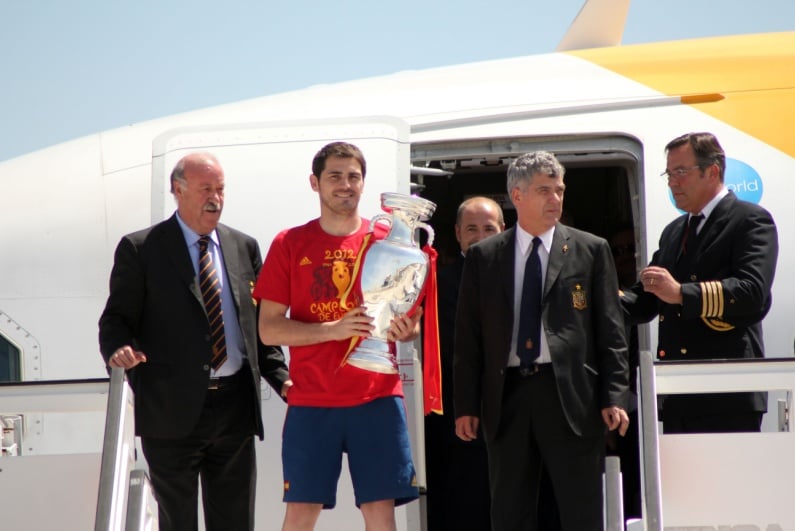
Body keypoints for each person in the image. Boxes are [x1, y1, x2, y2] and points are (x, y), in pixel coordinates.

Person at [98, 152, 290, 531]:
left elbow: (259, 330)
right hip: (170, 412)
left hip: (234, 410)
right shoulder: (141, 249)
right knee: (177, 522)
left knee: (235, 523)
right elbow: (116, 320)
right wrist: (118, 349)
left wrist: (283, 380)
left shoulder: (244, 247)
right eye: (206, 189)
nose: (215, 198)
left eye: (220, 189)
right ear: (178, 189)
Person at [454, 151, 630, 531]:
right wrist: (466, 404)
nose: (555, 199)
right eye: (544, 190)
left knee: (582, 511)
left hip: (570, 395)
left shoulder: (590, 249)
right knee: (510, 512)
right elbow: (468, 339)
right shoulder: (485, 256)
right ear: (517, 196)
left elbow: (611, 332)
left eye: (559, 190)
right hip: (508, 395)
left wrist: (614, 396)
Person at [255, 141, 423, 531]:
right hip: (313, 400)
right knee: (301, 513)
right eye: (335, 176)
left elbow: (409, 322)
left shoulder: (389, 242)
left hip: (377, 397)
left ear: (363, 183)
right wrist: (332, 330)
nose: (345, 185)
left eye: (353, 177)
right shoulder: (289, 243)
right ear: (314, 183)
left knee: (380, 512)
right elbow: (268, 329)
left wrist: (406, 331)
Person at [621, 132, 778, 433]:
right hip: (679, 393)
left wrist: (681, 293)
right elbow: (646, 299)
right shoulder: (674, 231)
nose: (672, 182)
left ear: (713, 171)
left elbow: (752, 292)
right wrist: (597, 298)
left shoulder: (749, 220)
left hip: (727, 393)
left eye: (681, 172)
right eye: (669, 174)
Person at [425, 196, 504, 531]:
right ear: (457, 234)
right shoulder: (439, 284)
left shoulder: (522, 275)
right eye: (471, 229)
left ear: (504, 231)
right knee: (466, 505)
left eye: (488, 228)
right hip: (461, 418)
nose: (480, 236)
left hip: (514, 415)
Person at [607, 226, 642, 519]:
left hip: (656, 403)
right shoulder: (605, 298)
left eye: (631, 248)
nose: (625, 257)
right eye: (617, 252)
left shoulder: (656, 292)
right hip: (621, 411)